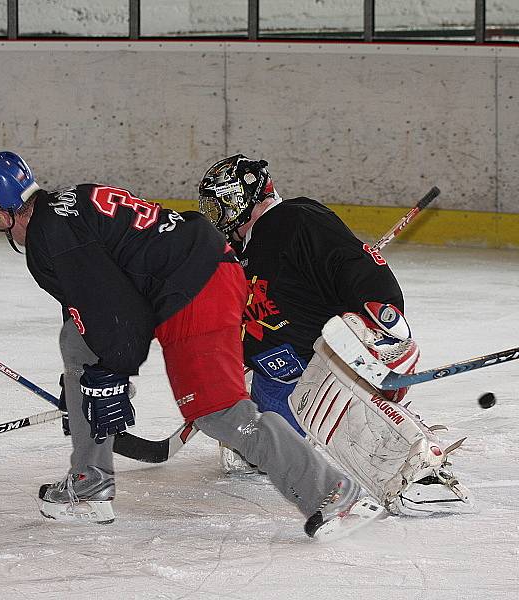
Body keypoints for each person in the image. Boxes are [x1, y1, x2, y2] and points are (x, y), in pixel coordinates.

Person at [0, 150, 387, 540]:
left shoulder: (48, 235)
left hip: (193, 288)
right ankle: (90, 481)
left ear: (2, 214)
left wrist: (111, 371)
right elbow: (89, 308)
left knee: (218, 412)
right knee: (78, 347)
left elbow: (116, 312)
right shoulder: (68, 207)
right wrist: (90, 377)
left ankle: (331, 492)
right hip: (195, 274)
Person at [197, 154, 473, 515]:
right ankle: (260, 445)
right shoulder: (239, 255)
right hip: (276, 378)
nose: (215, 218)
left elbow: (353, 264)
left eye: (219, 206)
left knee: (333, 399)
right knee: (253, 419)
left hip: (323, 363)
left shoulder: (292, 219)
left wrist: (381, 320)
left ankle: (418, 471)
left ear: (242, 198)